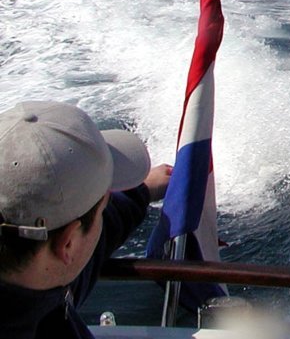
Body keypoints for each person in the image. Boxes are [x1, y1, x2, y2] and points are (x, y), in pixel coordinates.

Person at [0, 100, 172, 339]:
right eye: (102, 209)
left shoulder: (32, 291)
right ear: (68, 244)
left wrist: (142, 191)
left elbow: (78, 249)